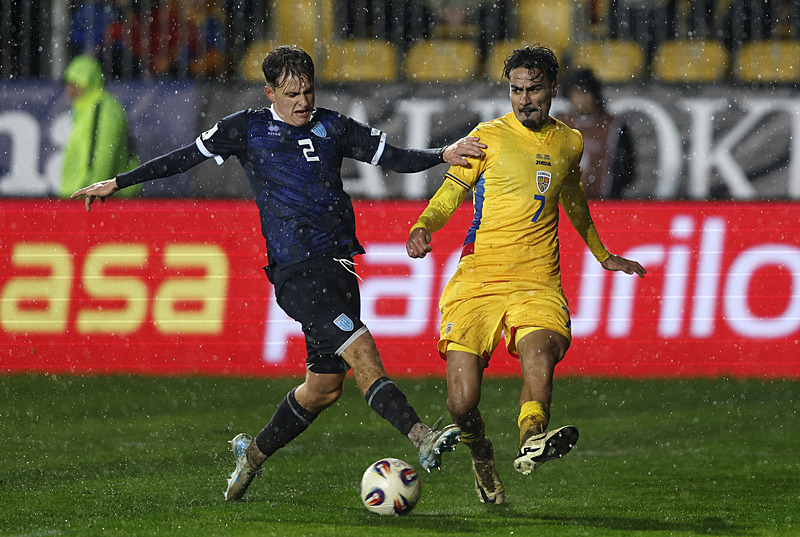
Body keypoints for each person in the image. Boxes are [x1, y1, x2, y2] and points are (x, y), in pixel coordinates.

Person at [70, 45, 487, 502]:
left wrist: (442, 153)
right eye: (291, 94)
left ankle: (251, 457)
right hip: (296, 272)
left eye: (308, 90)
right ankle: (422, 436)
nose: (303, 101)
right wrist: (119, 182)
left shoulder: (333, 125)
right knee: (362, 349)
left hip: (341, 267)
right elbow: (183, 158)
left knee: (323, 390)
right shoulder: (246, 128)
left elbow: (396, 157)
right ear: (270, 92)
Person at [406, 45, 646, 505]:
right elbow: (448, 195)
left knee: (541, 352)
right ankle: (481, 452)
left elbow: (572, 197)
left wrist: (602, 254)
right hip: (479, 278)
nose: (524, 99)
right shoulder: (487, 137)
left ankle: (532, 436)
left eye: (533, 89)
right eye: (516, 90)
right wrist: (422, 226)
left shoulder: (568, 142)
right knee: (461, 404)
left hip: (537, 277)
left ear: (553, 89)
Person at [60, 54, 141, 198]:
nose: (70, 90)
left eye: (75, 84)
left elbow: (102, 159)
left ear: (88, 83)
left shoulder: (102, 110)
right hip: (83, 197)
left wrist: (90, 195)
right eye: (68, 84)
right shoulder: (87, 108)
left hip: (94, 200)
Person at [558, 68, 636, 199]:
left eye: (583, 93)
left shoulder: (614, 126)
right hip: (566, 205)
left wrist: (612, 191)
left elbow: (627, 169)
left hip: (604, 204)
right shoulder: (560, 125)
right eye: (575, 94)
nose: (579, 99)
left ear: (594, 95)